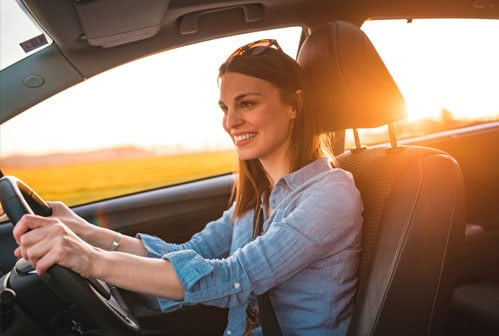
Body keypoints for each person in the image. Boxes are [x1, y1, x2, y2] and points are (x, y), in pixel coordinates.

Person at [13, 39, 363, 335]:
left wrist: (90, 260)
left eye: (247, 103)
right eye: (225, 107)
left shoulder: (330, 195)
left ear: (294, 106)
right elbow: (188, 252)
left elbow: (234, 278)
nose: (231, 121)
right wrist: (84, 231)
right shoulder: (258, 196)